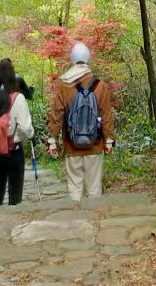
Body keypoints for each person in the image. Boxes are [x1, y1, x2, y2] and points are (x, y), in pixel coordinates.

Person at [47, 41, 115, 204]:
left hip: (72, 146)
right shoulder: (100, 85)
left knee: (74, 188)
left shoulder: (64, 85)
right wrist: (109, 140)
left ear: (72, 59)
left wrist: (52, 141)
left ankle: (75, 221)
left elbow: (57, 115)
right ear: (88, 59)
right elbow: (106, 115)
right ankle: (95, 222)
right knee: (94, 188)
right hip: (95, 144)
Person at [0, 57, 34, 206]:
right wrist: (29, 135)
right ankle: (15, 225)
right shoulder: (19, 98)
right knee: (15, 194)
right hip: (14, 150)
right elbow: (25, 127)